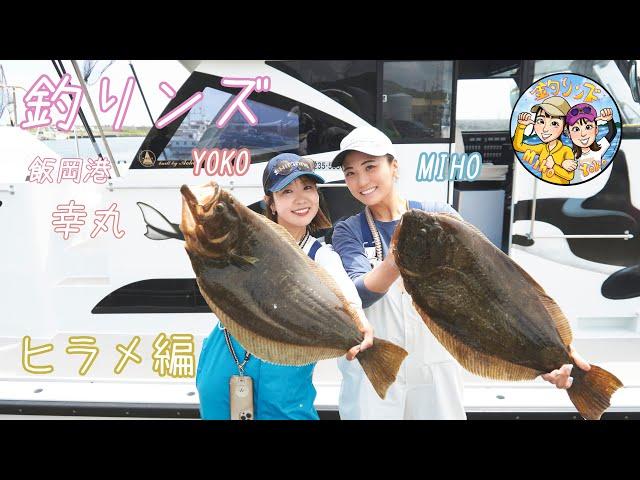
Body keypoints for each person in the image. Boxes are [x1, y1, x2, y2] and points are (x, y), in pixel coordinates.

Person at [331, 125, 591, 420]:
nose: (361, 180)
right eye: (350, 172)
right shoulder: (348, 230)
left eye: (370, 166)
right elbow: (358, 295)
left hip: (436, 369)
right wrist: (396, 257)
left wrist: (561, 352)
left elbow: (494, 284)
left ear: (394, 166)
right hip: (374, 374)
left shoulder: (440, 215)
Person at [196, 153, 373, 420]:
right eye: (287, 191)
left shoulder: (323, 256)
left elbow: (348, 301)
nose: (301, 198)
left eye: (308, 188)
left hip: (285, 358)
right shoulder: (242, 239)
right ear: (272, 203)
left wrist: (361, 324)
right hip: (227, 346)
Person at [513, 96, 576, 185]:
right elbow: (518, 146)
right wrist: (521, 126)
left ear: (565, 127)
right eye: (541, 121)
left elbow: (570, 176)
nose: (545, 129)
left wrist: (553, 166)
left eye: (554, 123)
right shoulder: (542, 148)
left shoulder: (566, 151)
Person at [565, 105, 617, 183]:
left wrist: (609, 120)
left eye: (588, 127)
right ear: (569, 134)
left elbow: (612, 133)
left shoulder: (599, 148)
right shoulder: (570, 155)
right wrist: (563, 164)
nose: (583, 134)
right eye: (576, 129)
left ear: (596, 130)